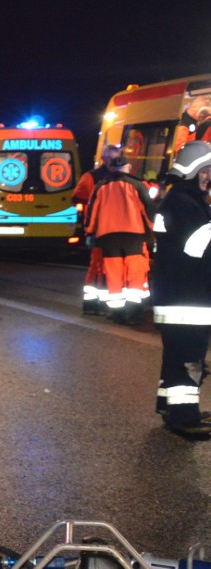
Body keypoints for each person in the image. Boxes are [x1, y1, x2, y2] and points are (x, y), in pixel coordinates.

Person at [151, 140, 211, 436]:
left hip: (176, 295)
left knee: (175, 355)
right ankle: (184, 417)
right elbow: (200, 249)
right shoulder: (185, 205)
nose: (210, 177)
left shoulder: (180, 200)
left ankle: (169, 406)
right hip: (186, 299)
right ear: (194, 171)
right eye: (207, 170)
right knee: (188, 357)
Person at [84, 155, 155, 325]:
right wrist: (153, 232)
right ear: (128, 167)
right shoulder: (137, 185)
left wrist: (90, 232)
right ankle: (133, 312)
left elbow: (91, 212)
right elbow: (148, 210)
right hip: (134, 236)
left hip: (108, 238)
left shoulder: (100, 186)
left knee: (114, 275)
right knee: (135, 273)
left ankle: (116, 313)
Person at [73, 144, 121, 315]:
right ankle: (93, 304)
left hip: (115, 227)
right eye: (109, 158)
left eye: (115, 158)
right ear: (103, 159)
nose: (112, 161)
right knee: (97, 266)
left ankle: (105, 302)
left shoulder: (121, 178)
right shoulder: (91, 177)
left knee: (110, 267)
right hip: (99, 227)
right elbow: (79, 198)